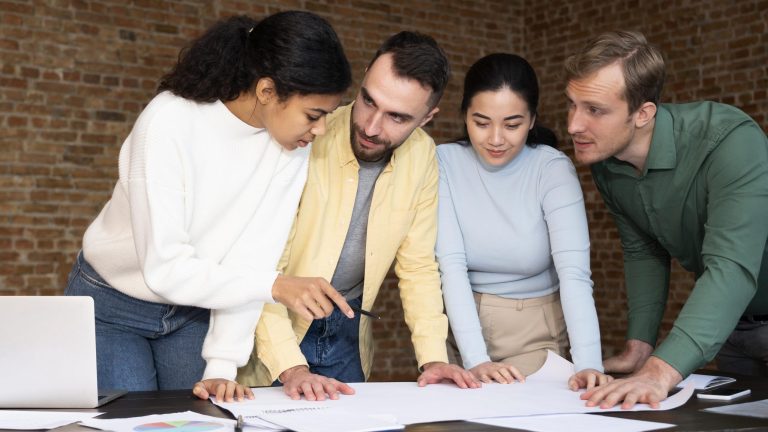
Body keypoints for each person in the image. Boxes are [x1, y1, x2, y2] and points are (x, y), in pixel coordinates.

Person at [64, 11, 354, 402]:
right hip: (113, 308)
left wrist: (221, 365)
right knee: (131, 424)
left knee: (200, 420)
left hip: (194, 311)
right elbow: (164, 269)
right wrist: (276, 287)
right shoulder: (168, 122)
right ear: (267, 91)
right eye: (313, 115)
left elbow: (252, 258)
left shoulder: (291, 146)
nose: (319, 130)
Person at [237, 31, 480, 400]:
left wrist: (433, 359)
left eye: (397, 117)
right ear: (365, 75)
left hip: (348, 332)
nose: (370, 127)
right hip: (272, 329)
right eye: (369, 100)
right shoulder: (305, 134)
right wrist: (292, 367)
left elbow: (417, 267)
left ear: (428, 117)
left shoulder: (423, 156)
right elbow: (263, 263)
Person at [564, 30, 768, 409]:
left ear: (643, 114)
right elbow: (643, 250)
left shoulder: (731, 141)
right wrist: (641, 348)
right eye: (572, 104)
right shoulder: (607, 164)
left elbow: (731, 267)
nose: (574, 125)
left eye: (594, 110)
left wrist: (660, 371)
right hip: (732, 330)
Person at [436, 53, 609, 391]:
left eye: (512, 124)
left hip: (536, 336)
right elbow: (450, 265)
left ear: (532, 120)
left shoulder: (551, 168)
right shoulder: (443, 162)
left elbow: (574, 274)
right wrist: (475, 360)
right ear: (464, 116)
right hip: (460, 331)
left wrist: (589, 363)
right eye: (481, 122)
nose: (496, 139)